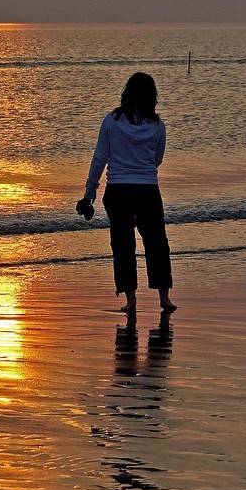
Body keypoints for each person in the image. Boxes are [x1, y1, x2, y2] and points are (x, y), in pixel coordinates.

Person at [77, 72, 177, 313]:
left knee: (123, 245)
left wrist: (89, 193)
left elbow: (99, 158)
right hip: (147, 190)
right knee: (157, 243)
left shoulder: (111, 121)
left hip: (118, 190)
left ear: (126, 93)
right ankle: (164, 298)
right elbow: (157, 160)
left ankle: (131, 301)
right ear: (152, 97)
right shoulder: (157, 126)